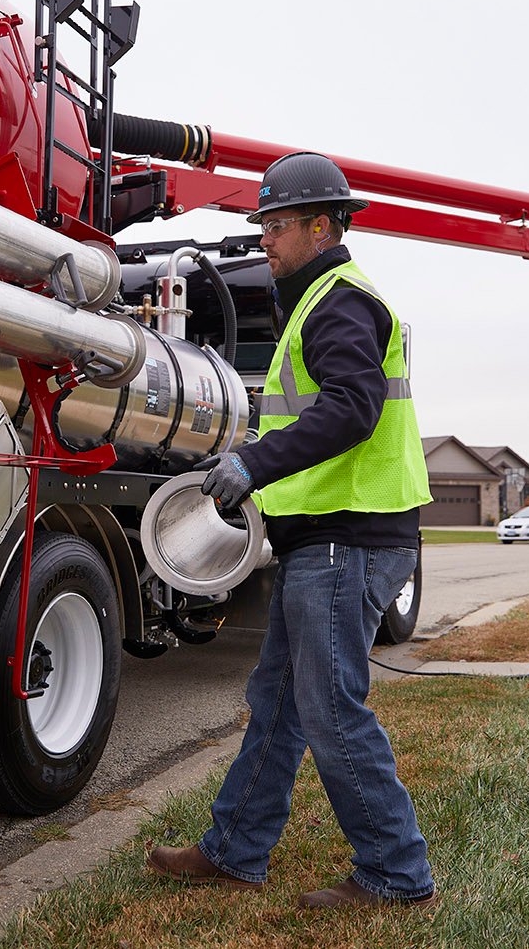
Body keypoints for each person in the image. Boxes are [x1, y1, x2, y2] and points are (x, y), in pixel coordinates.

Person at [146, 152, 436, 910]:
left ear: (321, 225)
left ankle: (395, 873)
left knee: (331, 708)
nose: (264, 240)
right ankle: (234, 849)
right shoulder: (315, 302)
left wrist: (255, 463)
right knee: (277, 702)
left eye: (275, 226)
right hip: (325, 540)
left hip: (350, 540)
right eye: (263, 225)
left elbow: (350, 407)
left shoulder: (339, 301)